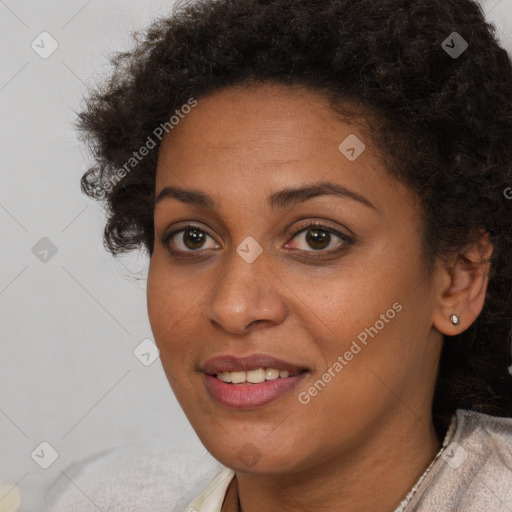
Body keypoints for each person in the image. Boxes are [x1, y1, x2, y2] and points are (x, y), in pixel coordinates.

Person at [46, 0, 512, 510]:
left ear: (459, 277)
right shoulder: (89, 495)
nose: (233, 307)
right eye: (192, 237)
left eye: (317, 238)